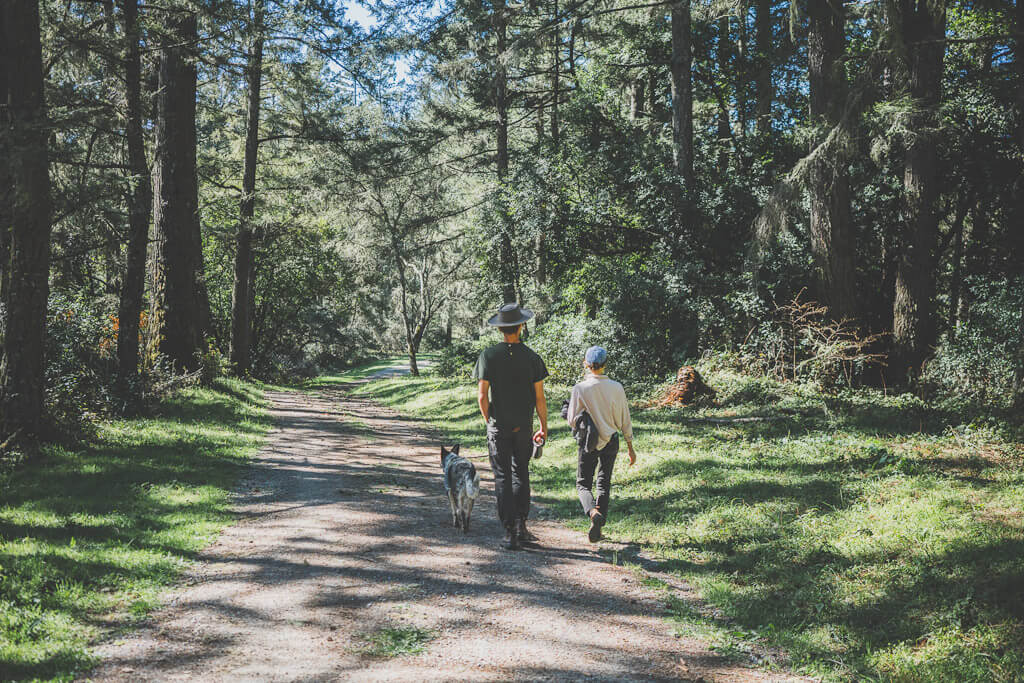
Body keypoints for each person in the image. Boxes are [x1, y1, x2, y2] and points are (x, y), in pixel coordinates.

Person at [473, 302, 549, 550]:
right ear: (522, 325)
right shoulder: (532, 358)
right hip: (524, 427)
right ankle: (522, 525)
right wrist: (543, 426)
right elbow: (540, 398)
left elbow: (482, 396)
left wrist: (489, 419)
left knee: (502, 477)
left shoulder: (488, 356)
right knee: (521, 473)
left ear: (500, 329)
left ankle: (509, 531)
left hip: (499, 426)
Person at [565, 346, 636, 542]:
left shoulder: (580, 388)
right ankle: (598, 528)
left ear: (586, 364)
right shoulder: (617, 387)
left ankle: (592, 513)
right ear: (605, 364)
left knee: (582, 484)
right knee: (603, 483)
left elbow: (571, 420)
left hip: (589, 442)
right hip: (611, 440)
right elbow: (625, 419)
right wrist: (630, 447)